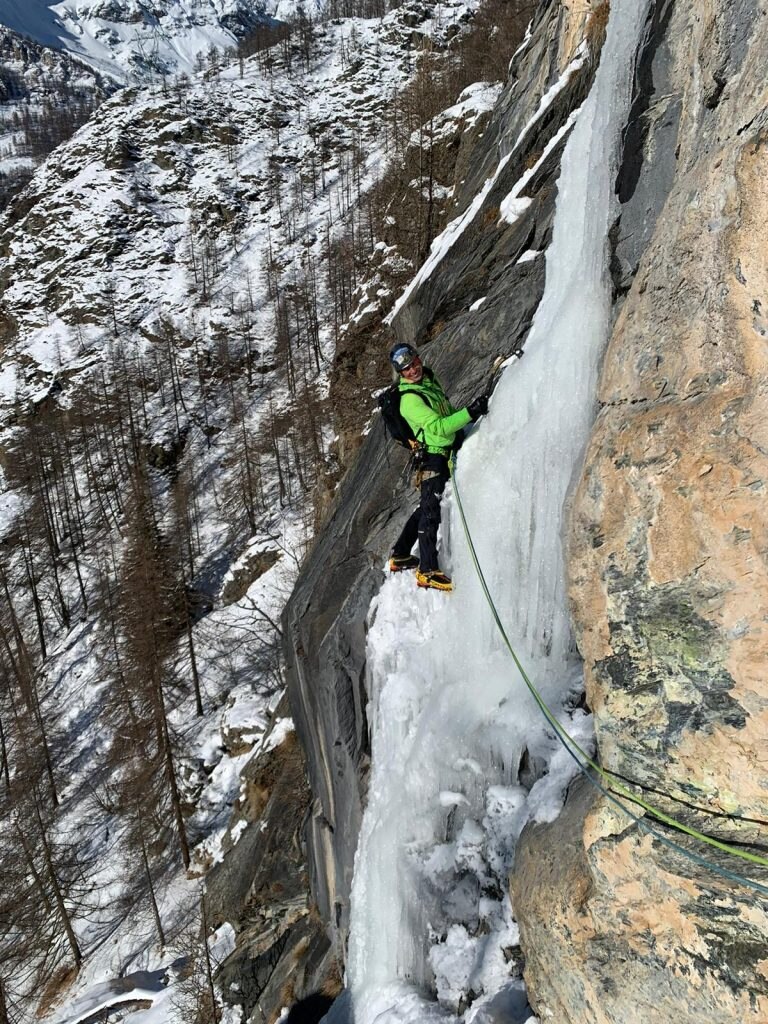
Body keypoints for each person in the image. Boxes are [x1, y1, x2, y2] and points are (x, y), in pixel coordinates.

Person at [388, 342, 489, 592]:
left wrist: (462, 419)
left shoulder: (428, 382)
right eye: (406, 370)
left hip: (440, 452)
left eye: (413, 364)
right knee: (431, 511)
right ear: (400, 374)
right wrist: (471, 413)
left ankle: (401, 553)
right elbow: (440, 427)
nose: (412, 370)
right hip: (433, 457)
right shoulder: (409, 401)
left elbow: (445, 411)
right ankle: (427, 571)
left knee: (425, 506)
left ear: (418, 359)